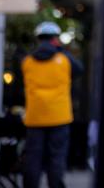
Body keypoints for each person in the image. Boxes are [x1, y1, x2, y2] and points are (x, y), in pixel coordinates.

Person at [21, 21, 83, 188]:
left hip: (35, 117)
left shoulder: (27, 62)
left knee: (33, 158)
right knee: (57, 158)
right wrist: (61, 50)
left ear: (38, 38)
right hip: (59, 117)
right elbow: (79, 69)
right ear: (56, 38)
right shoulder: (64, 59)